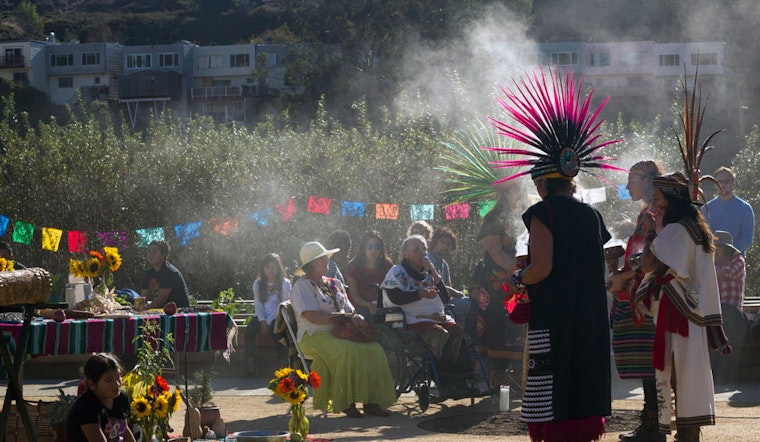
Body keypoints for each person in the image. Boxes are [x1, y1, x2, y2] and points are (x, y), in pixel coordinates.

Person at [487, 68, 621, 441]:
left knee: (551, 382)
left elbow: (542, 266)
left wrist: (516, 279)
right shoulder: (592, 214)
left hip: (557, 315)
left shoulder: (543, 213)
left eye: (536, 184)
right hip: (590, 315)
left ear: (544, 182)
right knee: (581, 379)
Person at [635, 172, 731, 441]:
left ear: (672, 202)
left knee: (679, 372)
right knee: (686, 374)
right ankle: (688, 432)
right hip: (691, 312)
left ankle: (687, 434)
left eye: (657, 200)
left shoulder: (677, 230)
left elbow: (648, 265)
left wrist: (651, 232)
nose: (653, 207)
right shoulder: (694, 228)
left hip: (678, 313)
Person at [290, 241, 396, 418]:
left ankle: (371, 402)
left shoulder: (335, 282)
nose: (326, 261)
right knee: (347, 351)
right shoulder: (302, 286)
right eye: (321, 259)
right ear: (310, 265)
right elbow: (310, 316)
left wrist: (356, 317)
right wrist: (337, 317)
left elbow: (349, 309)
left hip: (342, 331)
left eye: (326, 258)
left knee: (374, 349)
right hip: (313, 334)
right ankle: (347, 402)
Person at [606, 161, 664, 442]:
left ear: (647, 180)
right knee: (648, 363)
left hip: (646, 296)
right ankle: (652, 420)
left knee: (650, 363)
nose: (627, 186)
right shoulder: (649, 211)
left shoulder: (653, 212)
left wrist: (624, 276)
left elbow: (653, 259)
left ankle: (653, 425)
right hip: (642, 292)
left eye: (632, 180)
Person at [381, 235, 472, 398]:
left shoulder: (429, 274)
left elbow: (445, 298)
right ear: (405, 254)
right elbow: (395, 297)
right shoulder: (397, 271)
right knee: (441, 336)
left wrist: (435, 274)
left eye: (424, 249)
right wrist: (419, 293)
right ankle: (447, 384)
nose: (422, 253)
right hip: (413, 321)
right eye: (417, 250)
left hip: (437, 317)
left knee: (457, 333)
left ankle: (462, 382)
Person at [469, 190, 525, 387]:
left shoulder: (524, 214)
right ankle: (499, 382)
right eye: (518, 190)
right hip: (498, 287)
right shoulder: (494, 217)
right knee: (499, 332)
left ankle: (521, 379)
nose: (523, 193)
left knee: (520, 330)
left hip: (520, 283)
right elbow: (494, 249)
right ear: (507, 191)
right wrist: (518, 270)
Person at [67, 353, 136, 442]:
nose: (117, 384)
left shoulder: (120, 399)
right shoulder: (86, 407)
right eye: (109, 380)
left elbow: (124, 431)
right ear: (92, 384)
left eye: (118, 377)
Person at [245, 253, 291, 376]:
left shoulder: (285, 284)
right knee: (249, 330)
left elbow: (283, 305)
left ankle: (283, 362)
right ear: (263, 269)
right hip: (261, 317)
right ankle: (251, 360)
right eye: (267, 267)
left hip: (278, 316)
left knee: (278, 332)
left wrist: (269, 321)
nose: (270, 270)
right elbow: (258, 305)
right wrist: (262, 321)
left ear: (278, 267)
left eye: (273, 266)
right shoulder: (258, 284)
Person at [701, 167, 755, 255]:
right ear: (715, 185)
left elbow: (747, 239)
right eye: (718, 182)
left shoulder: (745, 208)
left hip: (735, 260)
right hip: (712, 259)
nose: (722, 185)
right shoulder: (706, 208)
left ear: (733, 182)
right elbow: (702, 236)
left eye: (725, 181)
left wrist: (729, 253)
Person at [345, 231, 393, 319]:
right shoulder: (353, 266)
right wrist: (368, 305)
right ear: (364, 247)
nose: (373, 250)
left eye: (377, 247)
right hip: (361, 308)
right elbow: (355, 296)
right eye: (369, 246)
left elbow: (392, 287)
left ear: (381, 249)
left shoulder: (387, 265)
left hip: (383, 306)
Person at [141, 240, 190, 309]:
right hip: (161, 311)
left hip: (179, 312)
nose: (150, 254)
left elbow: (161, 300)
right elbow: (143, 298)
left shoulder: (170, 272)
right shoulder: (149, 273)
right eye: (149, 251)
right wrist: (136, 308)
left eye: (154, 252)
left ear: (163, 255)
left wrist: (145, 308)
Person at [713, 230, 745, 310]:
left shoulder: (738, 261)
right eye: (713, 248)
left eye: (718, 248)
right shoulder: (713, 264)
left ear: (726, 249)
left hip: (732, 311)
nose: (715, 252)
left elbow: (727, 272)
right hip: (716, 309)